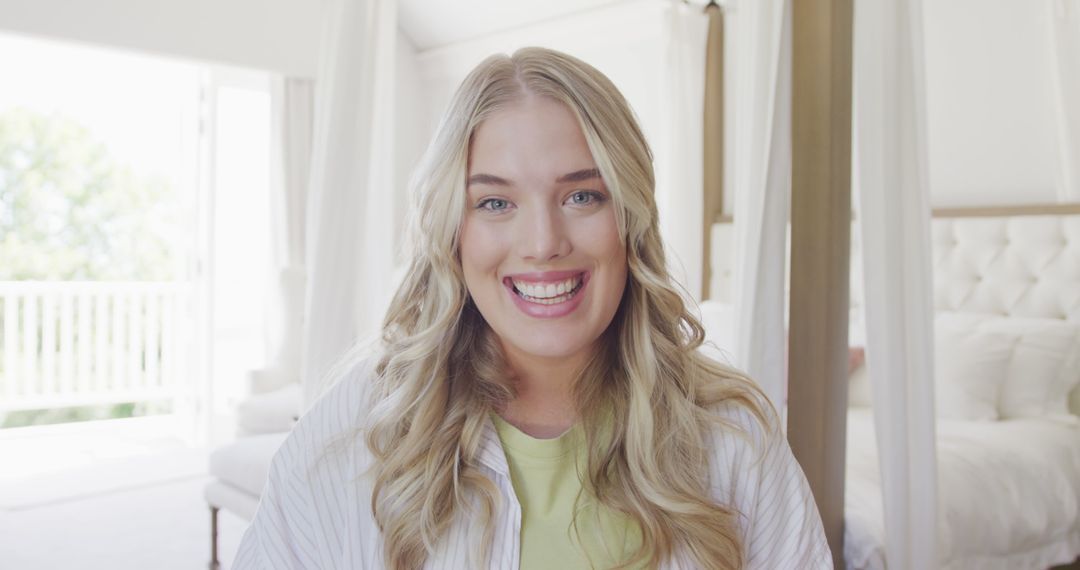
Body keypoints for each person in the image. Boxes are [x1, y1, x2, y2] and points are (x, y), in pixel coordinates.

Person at [233, 47, 831, 570]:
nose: (544, 242)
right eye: (495, 202)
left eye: (580, 195)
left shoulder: (732, 441)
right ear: (453, 232)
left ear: (628, 216)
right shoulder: (357, 429)